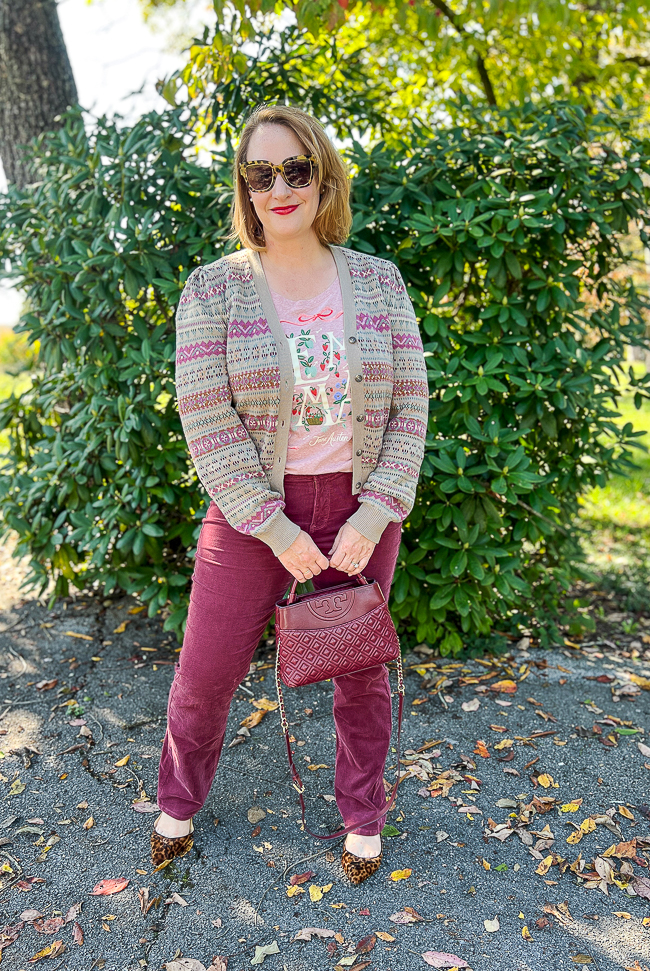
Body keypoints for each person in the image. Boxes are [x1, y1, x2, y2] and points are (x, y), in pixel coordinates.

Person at [151, 103, 429, 884]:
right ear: (244, 186)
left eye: (296, 169)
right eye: (261, 172)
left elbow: (411, 403)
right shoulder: (212, 291)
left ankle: (362, 817)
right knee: (206, 672)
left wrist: (375, 512)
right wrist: (274, 529)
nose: (280, 186)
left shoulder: (377, 280)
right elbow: (206, 418)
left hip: (360, 505)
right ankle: (178, 802)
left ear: (322, 176)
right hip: (249, 516)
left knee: (359, 666)